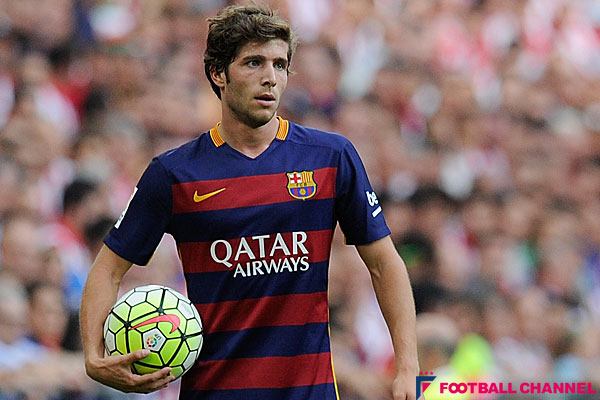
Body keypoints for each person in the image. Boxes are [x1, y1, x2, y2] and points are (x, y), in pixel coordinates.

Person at [80, 4, 419, 399]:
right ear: (217, 73)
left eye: (280, 65)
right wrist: (93, 356)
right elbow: (107, 269)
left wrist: (408, 366)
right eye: (254, 63)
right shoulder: (174, 173)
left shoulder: (330, 157)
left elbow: (384, 263)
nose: (270, 77)